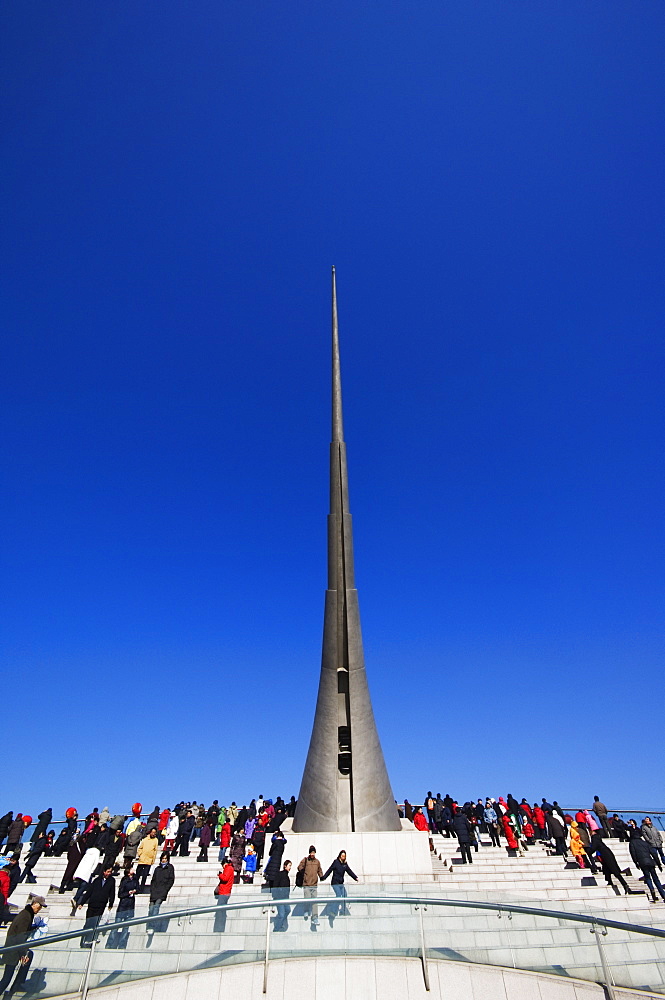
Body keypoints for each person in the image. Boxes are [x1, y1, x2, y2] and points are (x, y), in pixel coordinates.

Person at [0, 896, 46, 994]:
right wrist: (23, 954)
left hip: (13, 948)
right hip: (13, 950)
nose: (40, 908)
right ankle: (16, 986)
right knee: (6, 979)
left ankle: (18, 984)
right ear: (35, 904)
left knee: (30, 955)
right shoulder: (26, 916)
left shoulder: (27, 913)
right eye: (40, 906)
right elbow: (20, 937)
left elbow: (22, 930)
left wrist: (33, 927)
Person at [78, 866, 116, 947]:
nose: (109, 873)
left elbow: (112, 892)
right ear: (104, 872)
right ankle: (84, 940)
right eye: (108, 871)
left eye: (110, 872)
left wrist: (111, 903)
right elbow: (89, 891)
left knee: (95, 923)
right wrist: (82, 903)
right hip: (92, 904)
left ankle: (91, 939)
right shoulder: (97, 880)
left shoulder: (111, 880)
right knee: (88, 922)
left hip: (101, 905)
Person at [629, 827, 665, 903]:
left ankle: (652, 890)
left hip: (642, 862)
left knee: (648, 877)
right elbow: (654, 853)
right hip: (650, 861)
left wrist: (636, 863)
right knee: (656, 878)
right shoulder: (645, 842)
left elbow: (633, 854)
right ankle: (663, 894)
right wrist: (658, 864)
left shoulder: (632, 843)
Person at [106, 868, 138, 949]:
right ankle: (110, 943)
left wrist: (135, 891)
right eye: (131, 869)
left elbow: (138, 889)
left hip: (130, 905)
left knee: (126, 927)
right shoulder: (124, 880)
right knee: (116, 925)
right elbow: (120, 894)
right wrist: (128, 893)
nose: (133, 870)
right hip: (123, 905)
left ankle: (122, 944)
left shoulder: (135, 880)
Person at [321, 850, 358, 920]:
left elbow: (349, 871)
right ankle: (333, 911)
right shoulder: (336, 862)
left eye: (344, 856)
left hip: (341, 883)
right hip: (335, 883)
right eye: (342, 856)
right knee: (338, 895)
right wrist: (324, 877)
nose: (343, 857)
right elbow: (330, 870)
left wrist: (355, 877)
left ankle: (342, 911)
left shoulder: (345, 864)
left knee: (344, 895)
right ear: (340, 856)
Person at [147, 853, 175, 938]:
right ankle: (149, 925)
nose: (164, 860)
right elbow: (153, 880)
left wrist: (166, 889)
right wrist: (152, 889)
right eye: (163, 858)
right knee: (151, 908)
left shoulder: (170, 868)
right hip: (155, 891)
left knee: (156, 907)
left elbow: (171, 880)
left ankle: (152, 926)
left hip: (162, 891)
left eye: (165, 859)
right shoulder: (157, 869)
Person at [71, 844, 102, 914]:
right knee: (84, 886)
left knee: (81, 886)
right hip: (88, 872)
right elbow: (96, 862)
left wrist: (76, 873)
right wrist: (92, 871)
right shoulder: (97, 852)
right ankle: (76, 898)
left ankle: (77, 899)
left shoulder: (87, 852)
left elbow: (81, 862)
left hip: (81, 871)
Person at [297, 846, 323, 930]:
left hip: (314, 884)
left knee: (315, 902)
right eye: (311, 852)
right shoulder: (305, 860)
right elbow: (299, 867)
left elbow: (319, 870)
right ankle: (306, 910)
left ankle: (315, 917)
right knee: (307, 898)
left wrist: (321, 876)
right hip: (307, 883)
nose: (312, 854)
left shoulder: (317, 861)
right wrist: (302, 868)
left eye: (313, 852)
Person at [213, 862, 235, 932]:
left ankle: (219, 928)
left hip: (224, 892)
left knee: (220, 910)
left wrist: (220, 875)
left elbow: (225, 878)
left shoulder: (228, 868)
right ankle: (220, 927)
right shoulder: (230, 868)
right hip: (225, 891)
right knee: (222, 910)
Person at [272, 861, 292, 932]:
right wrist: (275, 896)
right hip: (279, 898)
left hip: (285, 898)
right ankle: (276, 929)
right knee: (281, 914)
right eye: (289, 865)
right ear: (285, 866)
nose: (290, 867)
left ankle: (280, 924)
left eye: (290, 866)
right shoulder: (280, 874)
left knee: (288, 910)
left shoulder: (287, 877)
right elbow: (275, 885)